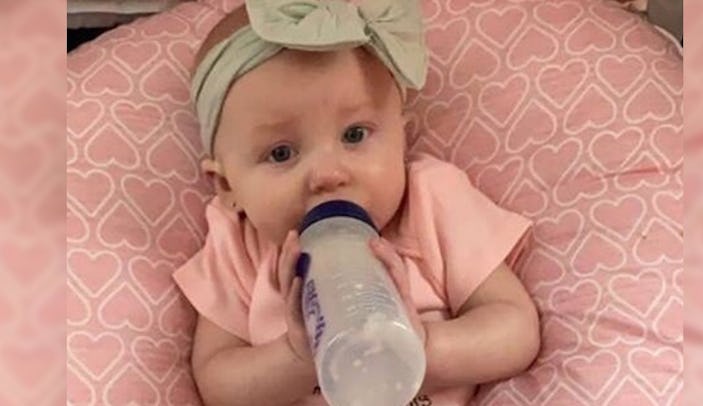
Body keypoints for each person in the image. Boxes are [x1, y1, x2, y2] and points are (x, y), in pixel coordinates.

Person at [173, 1, 540, 405]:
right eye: (281, 153)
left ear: (403, 138)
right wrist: (297, 359)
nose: (329, 174)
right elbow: (217, 383)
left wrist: (424, 347)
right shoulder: (238, 248)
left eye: (354, 135)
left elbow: (516, 329)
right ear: (227, 185)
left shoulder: (432, 202)